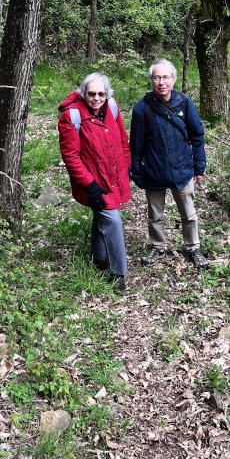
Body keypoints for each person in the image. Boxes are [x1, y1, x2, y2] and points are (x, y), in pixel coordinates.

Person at [130, 59, 209, 270]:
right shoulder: (142, 108)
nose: (161, 82)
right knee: (155, 215)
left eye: (165, 77)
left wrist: (199, 165)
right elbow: (135, 144)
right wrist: (137, 172)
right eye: (156, 77)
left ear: (173, 79)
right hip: (154, 172)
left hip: (182, 170)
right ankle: (158, 246)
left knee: (189, 214)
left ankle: (193, 247)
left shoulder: (184, 102)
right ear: (151, 80)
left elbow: (197, 135)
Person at [58, 73, 130, 292]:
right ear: (83, 93)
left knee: (103, 216)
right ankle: (117, 272)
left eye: (101, 94)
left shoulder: (113, 108)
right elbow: (71, 156)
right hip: (93, 181)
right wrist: (89, 185)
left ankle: (99, 258)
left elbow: (122, 140)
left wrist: (126, 167)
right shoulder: (71, 117)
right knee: (113, 221)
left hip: (115, 176)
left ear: (107, 94)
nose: (97, 98)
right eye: (92, 94)